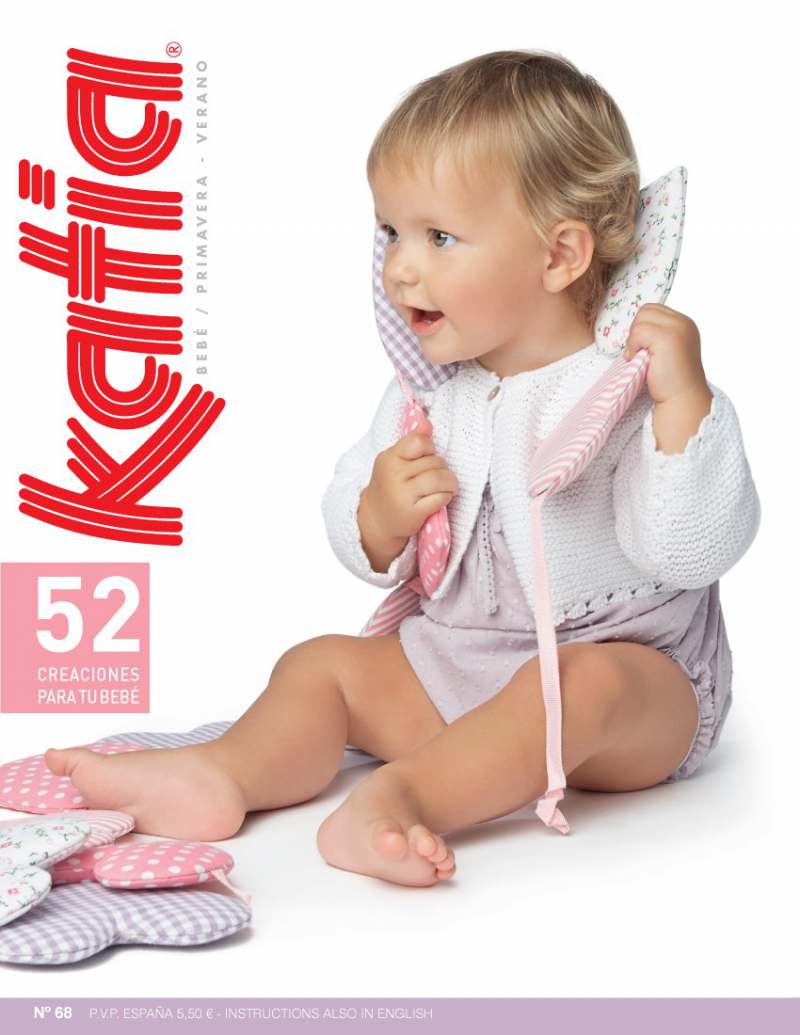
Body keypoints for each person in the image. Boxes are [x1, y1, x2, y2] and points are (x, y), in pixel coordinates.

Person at [43, 50, 760, 888]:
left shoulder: (628, 383)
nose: (399, 267)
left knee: (582, 682)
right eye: (391, 232)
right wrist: (377, 516)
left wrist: (685, 405)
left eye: (438, 237)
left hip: (637, 690)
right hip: (457, 664)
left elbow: (692, 548)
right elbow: (360, 523)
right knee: (321, 665)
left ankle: (402, 796)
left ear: (560, 255)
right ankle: (224, 772)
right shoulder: (429, 391)